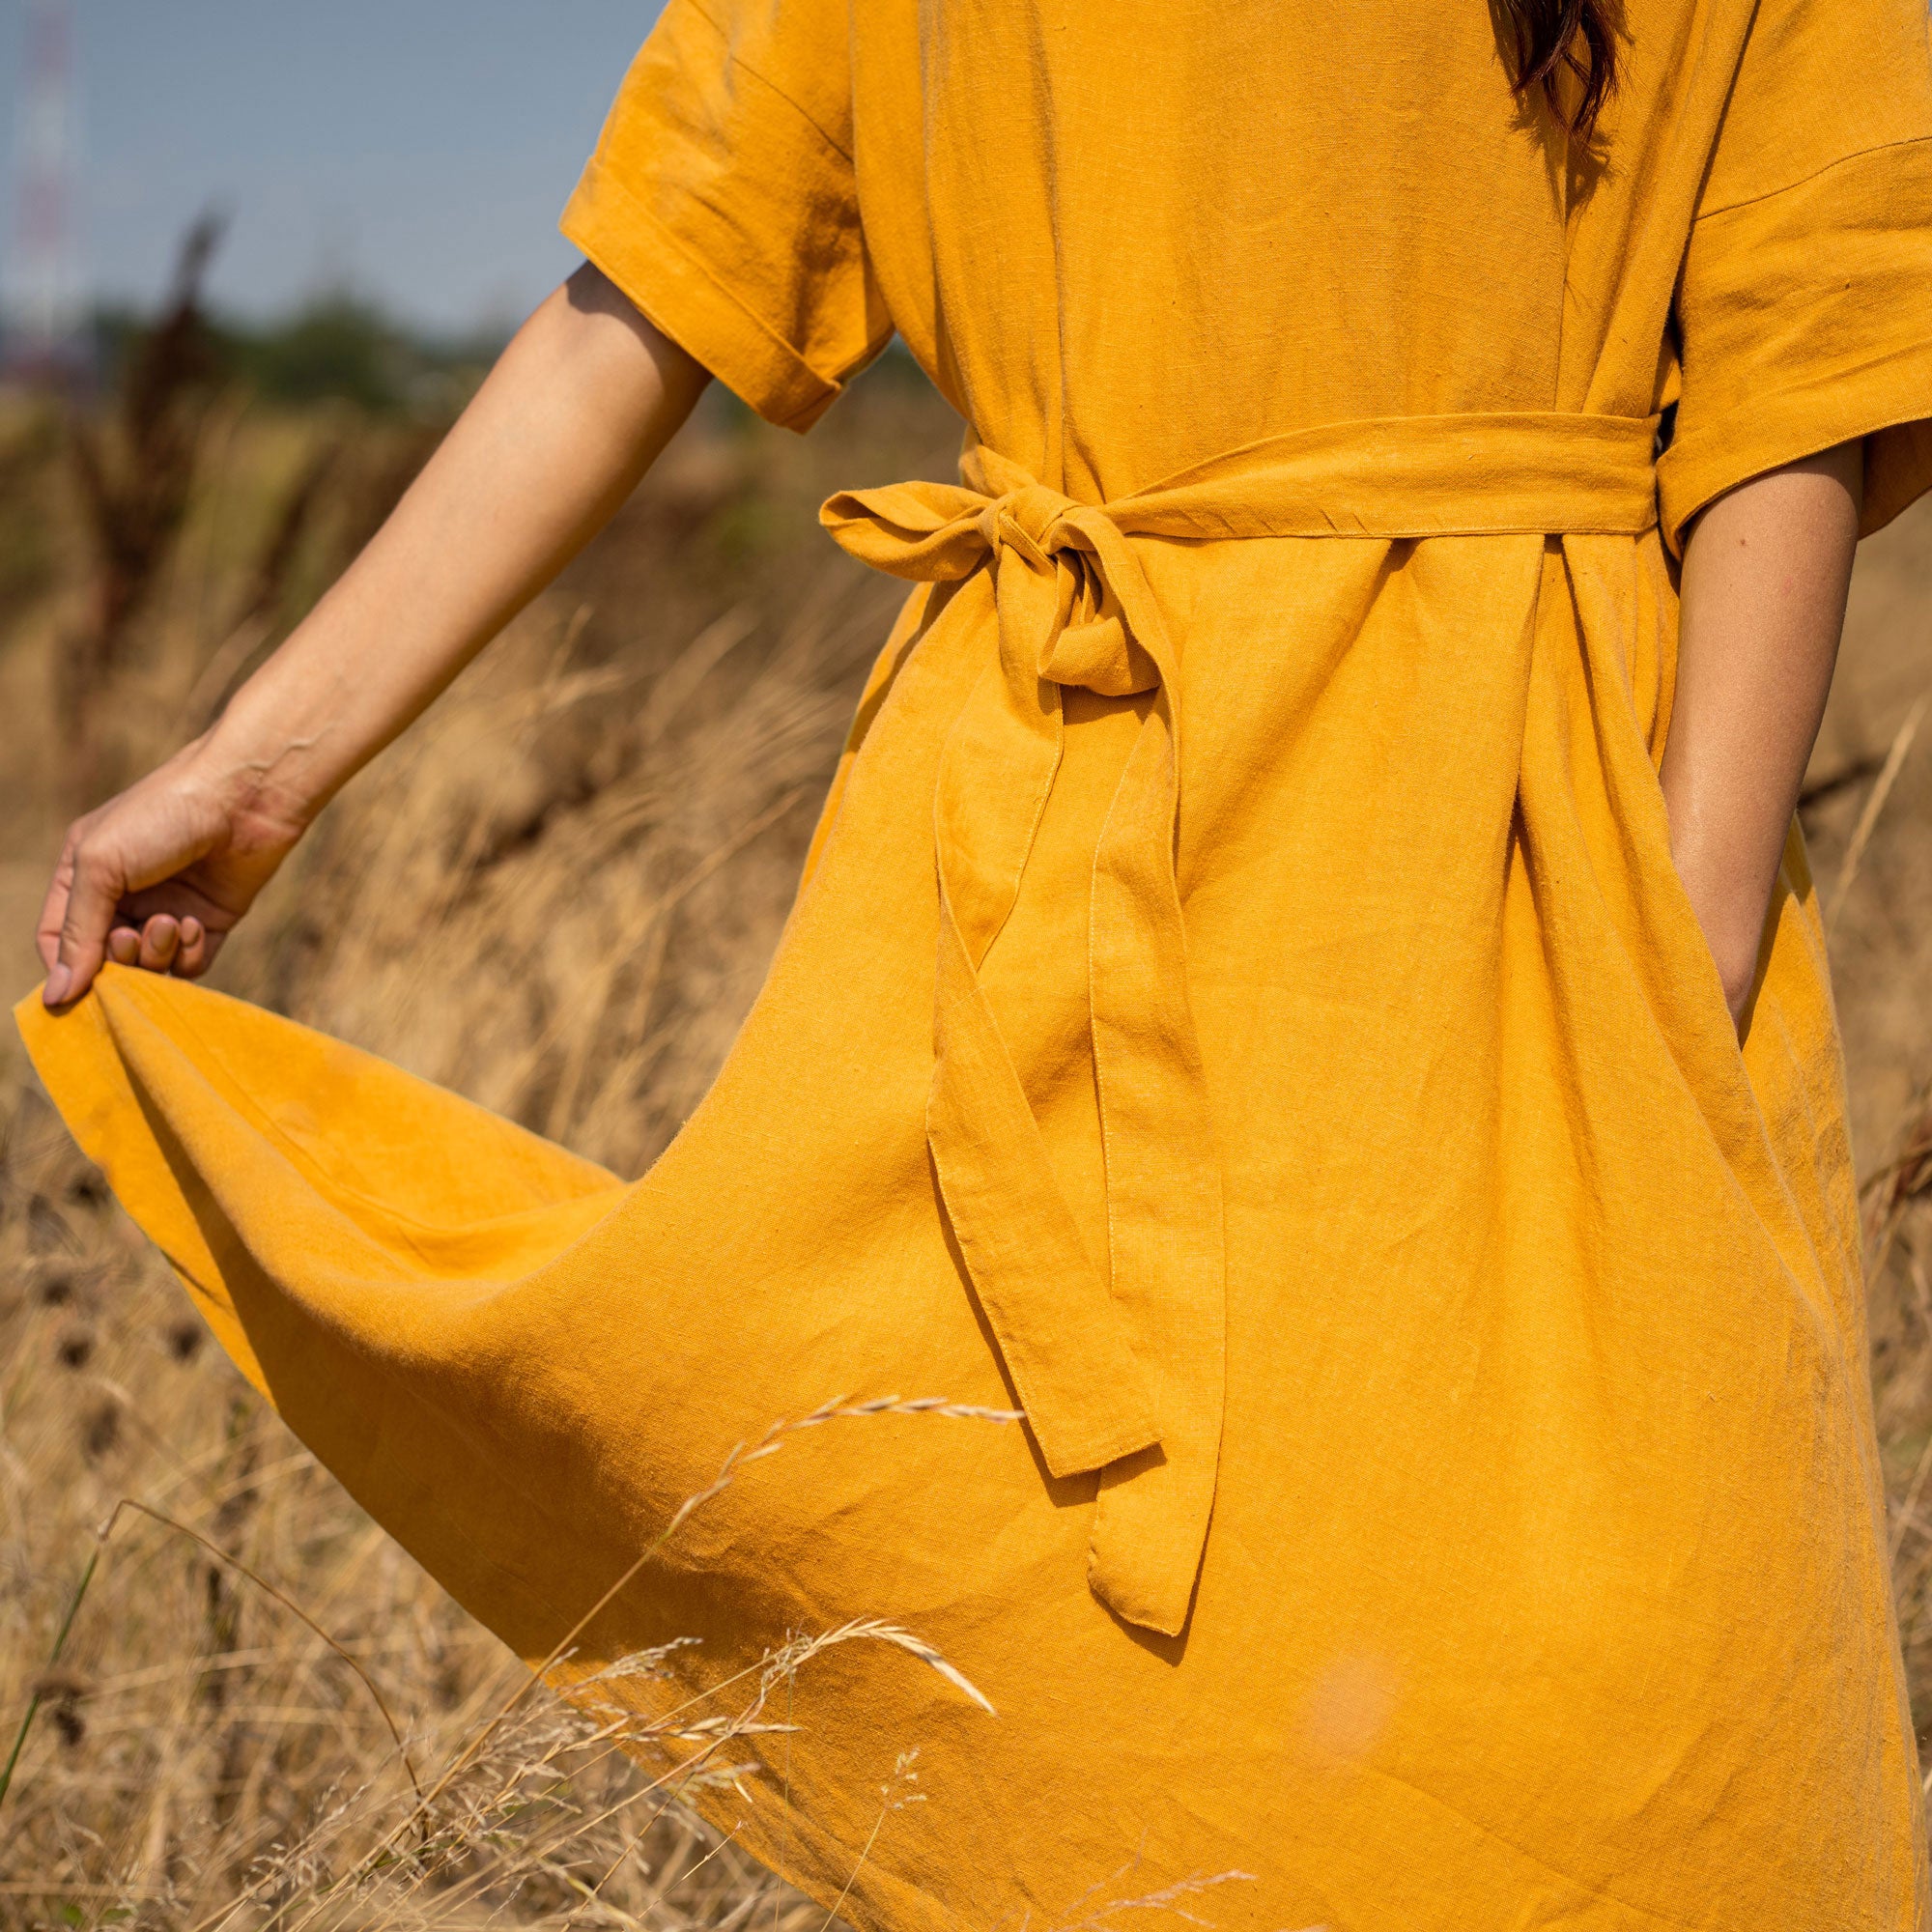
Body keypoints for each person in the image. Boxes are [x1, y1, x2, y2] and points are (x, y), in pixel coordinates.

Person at [19, 0, 1932, 1921]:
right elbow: (678, 277)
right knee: (1107, 1756)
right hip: (1071, 900)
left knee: (1601, 1779)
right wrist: (257, 772)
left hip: (1517, 898)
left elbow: (1795, 389)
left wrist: (1656, 981)